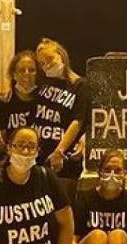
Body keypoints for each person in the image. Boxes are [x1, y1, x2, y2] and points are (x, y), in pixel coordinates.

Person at [34, 38, 91, 201]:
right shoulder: (42, 83)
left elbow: (78, 121)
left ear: (61, 56)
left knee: (63, 205)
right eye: (42, 63)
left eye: (50, 59)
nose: (47, 65)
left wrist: (60, 151)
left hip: (64, 160)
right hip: (38, 157)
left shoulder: (80, 86)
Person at [0, 50, 40, 168]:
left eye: (32, 70)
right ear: (14, 74)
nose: (26, 74)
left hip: (37, 158)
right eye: (21, 70)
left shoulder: (45, 99)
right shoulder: (3, 101)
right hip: (9, 159)